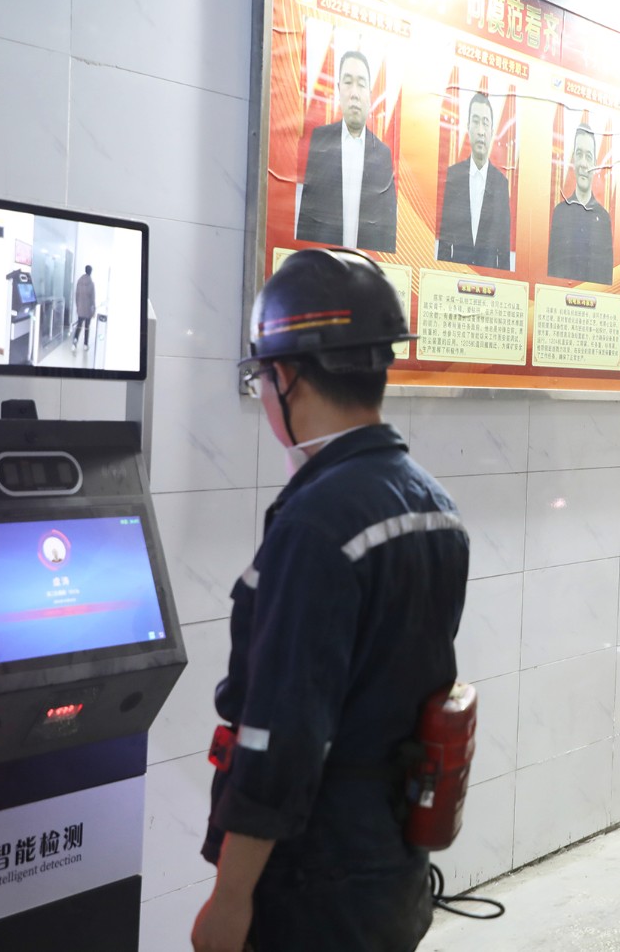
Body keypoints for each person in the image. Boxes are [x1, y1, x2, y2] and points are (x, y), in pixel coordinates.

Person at [193, 248, 468, 952]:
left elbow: (280, 739)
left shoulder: (317, 525)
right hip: (392, 860)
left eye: (261, 377)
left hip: (314, 877)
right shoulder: (433, 504)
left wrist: (230, 898)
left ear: (286, 376)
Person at [294, 50, 399, 252]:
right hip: (327, 263)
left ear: (370, 94)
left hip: (365, 265)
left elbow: (387, 230)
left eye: (361, 84)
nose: (354, 93)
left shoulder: (382, 154)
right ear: (338, 89)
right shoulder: (320, 141)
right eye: (348, 82)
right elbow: (307, 218)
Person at [436, 90, 511, 270]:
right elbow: (444, 244)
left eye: (485, 123)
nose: (480, 131)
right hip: (456, 277)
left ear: (492, 131)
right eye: (476, 122)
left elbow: (503, 251)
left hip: (489, 281)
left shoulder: (501, 184)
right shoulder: (453, 177)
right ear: (468, 126)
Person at [547, 124, 613, 284]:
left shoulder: (604, 219)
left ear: (595, 164)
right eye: (579, 154)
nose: (583, 163)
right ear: (574, 159)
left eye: (588, 156)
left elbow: (606, 279)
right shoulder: (559, 214)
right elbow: (552, 274)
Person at [72, 264, 95, 349]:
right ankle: (85, 345)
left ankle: (74, 342)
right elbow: (92, 299)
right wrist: (93, 310)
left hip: (80, 308)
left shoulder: (79, 281)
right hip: (88, 310)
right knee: (87, 327)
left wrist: (78, 306)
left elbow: (76, 295)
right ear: (90, 272)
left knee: (79, 326)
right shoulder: (91, 283)